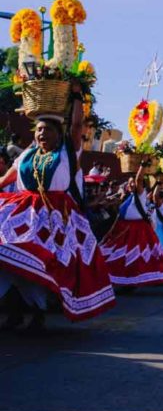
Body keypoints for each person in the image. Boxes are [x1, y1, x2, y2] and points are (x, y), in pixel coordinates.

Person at [0, 102, 115, 328]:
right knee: (9, 258)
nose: (42, 133)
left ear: (59, 133)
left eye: (48, 129)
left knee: (43, 263)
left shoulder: (67, 154)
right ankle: (15, 311)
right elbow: (5, 181)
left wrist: (76, 94)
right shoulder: (25, 156)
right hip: (21, 214)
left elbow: (77, 125)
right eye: (39, 129)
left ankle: (38, 311)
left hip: (55, 219)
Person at [99, 167, 163, 288]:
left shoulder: (140, 194)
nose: (130, 184)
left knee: (132, 258)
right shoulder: (130, 197)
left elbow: (140, 179)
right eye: (129, 182)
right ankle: (125, 282)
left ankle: (128, 282)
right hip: (124, 231)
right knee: (120, 257)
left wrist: (143, 165)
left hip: (135, 231)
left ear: (141, 185)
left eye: (133, 182)